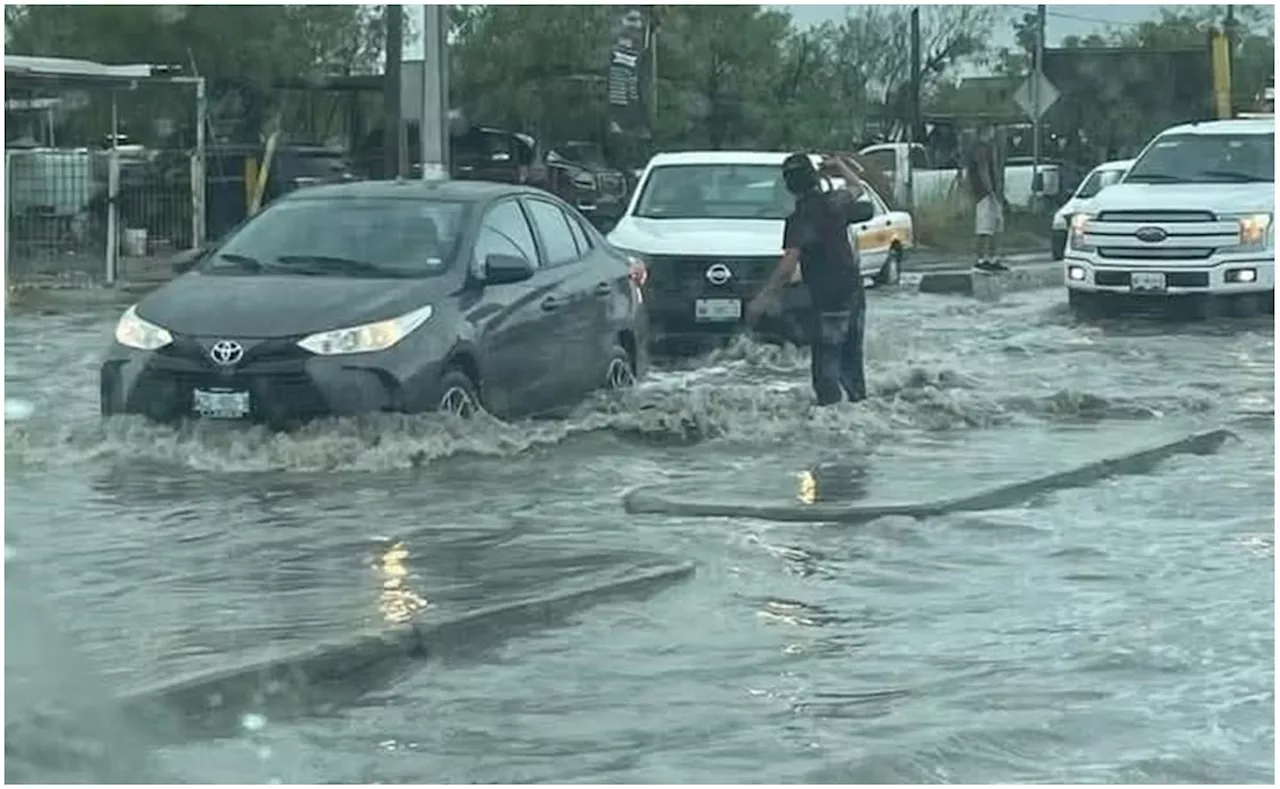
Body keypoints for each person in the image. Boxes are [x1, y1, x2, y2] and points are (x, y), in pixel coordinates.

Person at [747, 152, 874, 406]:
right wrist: (839, 166)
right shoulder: (834, 203)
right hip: (853, 291)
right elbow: (857, 188)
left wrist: (762, 299)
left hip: (827, 299)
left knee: (826, 369)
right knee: (852, 362)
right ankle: (858, 409)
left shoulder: (799, 219)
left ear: (788, 187)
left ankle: (832, 422)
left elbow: (787, 267)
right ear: (814, 178)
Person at [965, 125, 1008, 272]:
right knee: (985, 227)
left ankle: (993, 258)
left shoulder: (989, 148)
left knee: (996, 225)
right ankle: (981, 259)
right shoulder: (980, 149)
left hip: (991, 193)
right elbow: (983, 171)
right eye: (992, 129)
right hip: (984, 194)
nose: (994, 132)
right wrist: (991, 191)